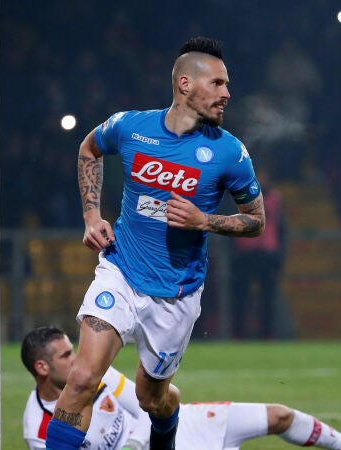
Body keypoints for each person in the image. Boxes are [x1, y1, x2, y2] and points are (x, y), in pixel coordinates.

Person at [46, 36, 268, 450]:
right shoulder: (131, 126)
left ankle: (165, 433)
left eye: (226, 84)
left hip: (175, 294)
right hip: (121, 271)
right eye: (217, 83)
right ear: (185, 84)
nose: (227, 93)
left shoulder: (229, 153)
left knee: (153, 399)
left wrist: (205, 221)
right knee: (81, 378)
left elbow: (256, 221)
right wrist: (92, 215)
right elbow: (89, 149)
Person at [23, 326, 341, 450]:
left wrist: (137, 442)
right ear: (42, 368)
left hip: (175, 428)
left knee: (280, 416)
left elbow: (144, 406)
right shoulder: (38, 429)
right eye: (67, 355)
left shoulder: (93, 374)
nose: (79, 358)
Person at [231, 167, 287, 339]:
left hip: (267, 253)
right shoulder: (240, 196)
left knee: (268, 297)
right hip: (245, 253)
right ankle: (239, 333)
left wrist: (280, 255)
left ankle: (268, 333)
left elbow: (282, 229)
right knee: (241, 296)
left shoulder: (276, 199)